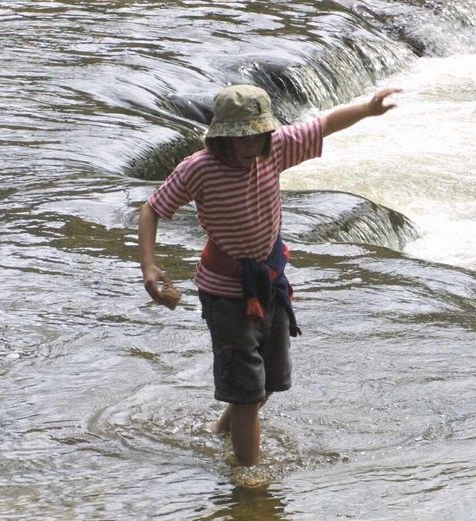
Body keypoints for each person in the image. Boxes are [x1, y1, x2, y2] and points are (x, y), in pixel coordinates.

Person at [139, 84, 400, 467]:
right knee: (246, 392)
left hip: (269, 282)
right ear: (222, 136)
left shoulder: (274, 149)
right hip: (225, 292)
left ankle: (221, 432)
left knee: (268, 381)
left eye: (258, 138)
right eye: (241, 139)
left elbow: (324, 123)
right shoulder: (199, 169)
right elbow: (151, 209)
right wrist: (149, 265)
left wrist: (368, 109)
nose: (250, 147)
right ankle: (249, 476)